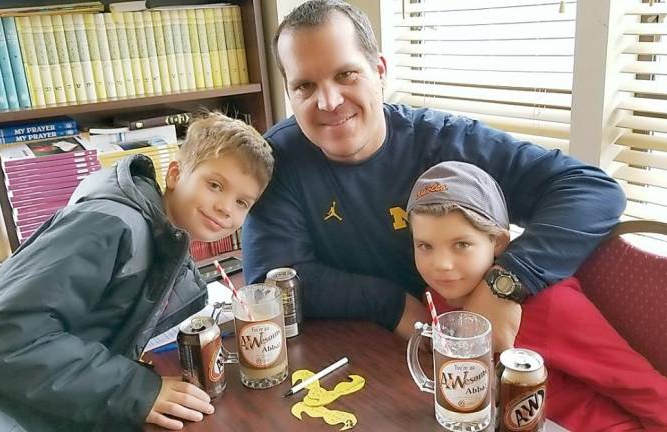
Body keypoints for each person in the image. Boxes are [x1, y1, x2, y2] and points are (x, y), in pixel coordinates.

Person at [242, 0, 626, 351]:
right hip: (354, 352)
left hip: (471, 352)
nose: (328, 102)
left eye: (346, 74)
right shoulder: (277, 158)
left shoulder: (448, 142)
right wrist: (390, 303)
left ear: (379, 71)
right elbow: (273, 281)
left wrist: (505, 284)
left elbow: (592, 190)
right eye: (304, 86)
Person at [0, 112, 274, 432]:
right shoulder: (109, 224)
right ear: (175, 174)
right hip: (5, 409)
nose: (226, 208)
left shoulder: (164, 240)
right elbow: (2, 335)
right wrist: (136, 391)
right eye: (215, 185)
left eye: (242, 202)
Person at [406, 161, 667, 431]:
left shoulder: (552, 305)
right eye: (425, 246)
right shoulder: (435, 299)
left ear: (498, 242)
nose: (442, 265)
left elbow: (651, 393)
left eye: (462, 244)